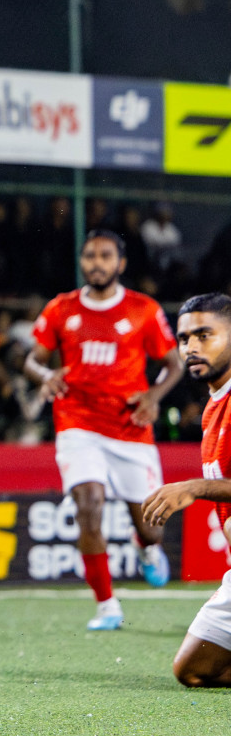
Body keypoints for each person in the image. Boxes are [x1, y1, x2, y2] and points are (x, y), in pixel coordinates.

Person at [24, 230, 183, 630]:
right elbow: (33, 359)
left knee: (150, 527)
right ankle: (107, 605)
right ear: (82, 261)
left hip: (130, 429)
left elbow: (174, 363)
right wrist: (45, 375)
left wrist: (154, 396)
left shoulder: (143, 309)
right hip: (77, 423)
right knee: (89, 505)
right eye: (90, 255)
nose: (97, 262)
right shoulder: (61, 309)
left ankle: (146, 549)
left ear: (121, 263)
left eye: (105, 256)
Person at [143, 294, 231, 686]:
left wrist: (195, 488)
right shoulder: (215, 405)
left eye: (204, 335)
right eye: (183, 339)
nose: (191, 347)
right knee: (192, 671)